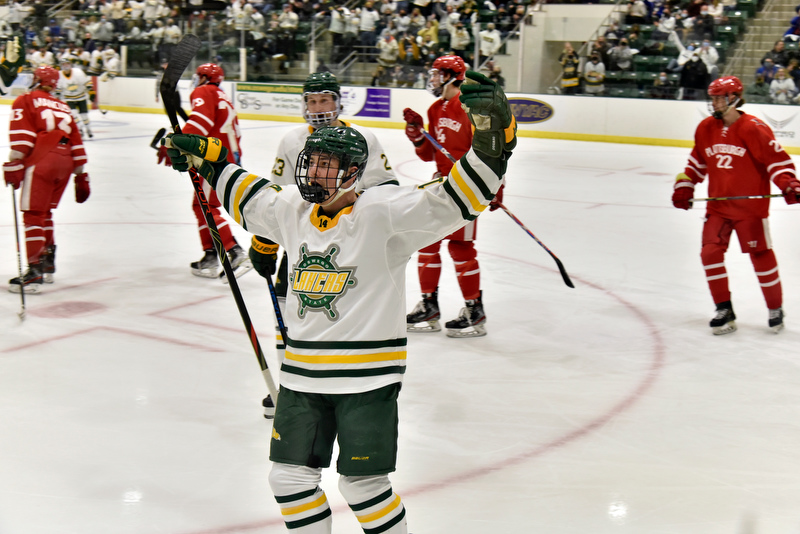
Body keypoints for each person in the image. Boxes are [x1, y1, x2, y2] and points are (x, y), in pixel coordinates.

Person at [163, 68, 514, 534]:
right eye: (311, 162)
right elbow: (249, 195)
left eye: (326, 164)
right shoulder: (292, 208)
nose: (313, 171)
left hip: (366, 378)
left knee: (363, 486)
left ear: (353, 173)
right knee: (287, 478)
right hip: (301, 376)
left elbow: (459, 195)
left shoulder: (386, 215)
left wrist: (493, 143)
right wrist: (210, 163)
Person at [249, 71, 399, 418]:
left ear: (338, 100)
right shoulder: (291, 140)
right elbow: (277, 197)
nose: (318, 107)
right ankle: (289, 385)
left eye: (325, 100)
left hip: (350, 244)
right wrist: (265, 240)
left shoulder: (362, 138)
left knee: (337, 315)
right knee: (289, 317)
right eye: (311, 101)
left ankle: (337, 383)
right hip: (300, 242)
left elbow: (386, 186)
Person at [671, 76, 800, 335]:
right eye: (714, 98)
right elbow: (697, 162)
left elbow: (777, 162)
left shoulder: (754, 128)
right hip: (718, 208)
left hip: (750, 210)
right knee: (709, 254)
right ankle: (724, 308)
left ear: (735, 98)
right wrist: (685, 185)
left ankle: (775, 308)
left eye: (721, 97)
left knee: (761, 257)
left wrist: (789, 183)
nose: (715, 103)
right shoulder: (705, 128)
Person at [402, 55, 503, 338]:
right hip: (440, 186)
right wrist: (416, 134)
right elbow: (426, 154)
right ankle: (429, 306)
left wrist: (496, 186)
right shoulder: (436, 108)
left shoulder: (471, 108)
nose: (432, 79)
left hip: (468, 187)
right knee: (428, 242)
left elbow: (493, 149)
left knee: (460, 248)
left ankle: (474, 311)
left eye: (437, 74)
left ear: (451, 76)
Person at [3, 66, 89, 293]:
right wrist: (81, 175)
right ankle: (47, 263)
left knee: (33, 214)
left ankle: (34, 270)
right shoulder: (64, 106)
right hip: (66, 162)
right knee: (45, 213)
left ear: (37, 80)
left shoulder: (26, 99)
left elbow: (23, 138)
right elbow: (77, 141)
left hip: (43, 159)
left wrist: (15, 162)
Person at [175, 63, 251, 280]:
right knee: (199, 205)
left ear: (204, 77)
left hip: (216, 160)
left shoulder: (204, 91)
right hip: (228, 158)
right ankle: (210, 254)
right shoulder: (221, 95)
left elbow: (200, 123)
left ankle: (235, 251)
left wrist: (176, 143)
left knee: (206, 205)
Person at [57, 58, 94, 139]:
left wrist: (91, 91)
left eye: (67, 64)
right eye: (64, 64)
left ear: (70, 64)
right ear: (61, 66)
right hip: (69, 99)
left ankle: (88, 129)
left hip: (81, 97)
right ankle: (80, 129)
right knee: (73, 115)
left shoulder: (78, 72)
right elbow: (58, 89)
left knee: (84, 116)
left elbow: (87, 82)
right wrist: (57, 95)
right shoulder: (59, 75)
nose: (66, 66)